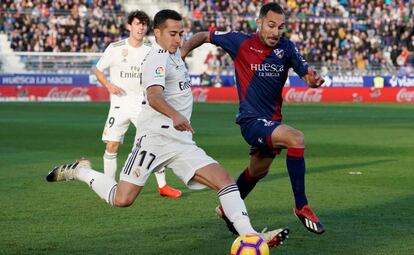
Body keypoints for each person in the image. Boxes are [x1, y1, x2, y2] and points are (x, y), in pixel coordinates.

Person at [46, 9, 288, 248]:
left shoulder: (174, 54)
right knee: (122, 199)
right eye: (172, 33)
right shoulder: (155, 58)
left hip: (180, 142)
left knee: (225, 181)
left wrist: (201, 38)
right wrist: (176, 116)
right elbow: (153, 96)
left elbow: (187, 47)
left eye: (181, 33)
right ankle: (80, 171)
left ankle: (251, 236)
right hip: (153, 139)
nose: (178, 39)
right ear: (157, 32)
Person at [181, 2, 325, 234]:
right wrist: (183, 52)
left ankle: (226, 209)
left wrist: (311, 79)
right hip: (251, 121)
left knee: (257, 171)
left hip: (272, 122)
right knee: (296, 138)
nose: (275, 32)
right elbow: (204, 35)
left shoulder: (286, 48)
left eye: (280, 27)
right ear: (258, 22)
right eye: (270, 25)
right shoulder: (240, 41)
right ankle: (301, 206)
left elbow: (305, 72)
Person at [95, 10, 181, 198]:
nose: (141, 27)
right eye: (137, 23)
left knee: (153, 142)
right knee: (112, 145)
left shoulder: (151, 49)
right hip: (119, 104)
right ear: (129, 26)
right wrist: (108, 85)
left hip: (143, 104)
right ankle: (109, 185)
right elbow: (98, 69)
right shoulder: (115, 48)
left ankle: (163, 186)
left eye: (143, 24)